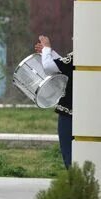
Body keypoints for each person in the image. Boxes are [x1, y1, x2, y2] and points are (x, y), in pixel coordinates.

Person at [36, 35, 73, 169]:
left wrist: (47, 48)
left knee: (69, 153)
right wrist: (49, 52)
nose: (73, 39)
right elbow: (63, 65)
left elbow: (49, 67)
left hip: (68, 113)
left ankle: (73, 183)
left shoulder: (77, 56)